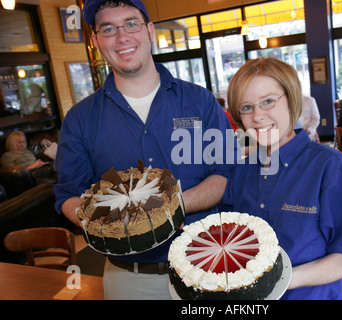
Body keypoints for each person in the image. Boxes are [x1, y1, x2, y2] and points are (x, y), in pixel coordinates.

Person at [54, 0, 237, 300]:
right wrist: (111, 225)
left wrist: (167, 209)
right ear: (96, 40)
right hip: (130, 280)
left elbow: (224, 173)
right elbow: (68, 195)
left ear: (150, 30)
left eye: (131, 23)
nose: (122, 36)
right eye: (108, 29)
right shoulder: (79, 120)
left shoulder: (199, 102)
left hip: (206, 265)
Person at [222, 57, 342, 300]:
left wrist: (275, 282)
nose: (257, 116)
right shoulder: (242, 172)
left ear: (292, 99)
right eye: (246, 107)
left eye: (268, 101)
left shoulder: (331, 167)